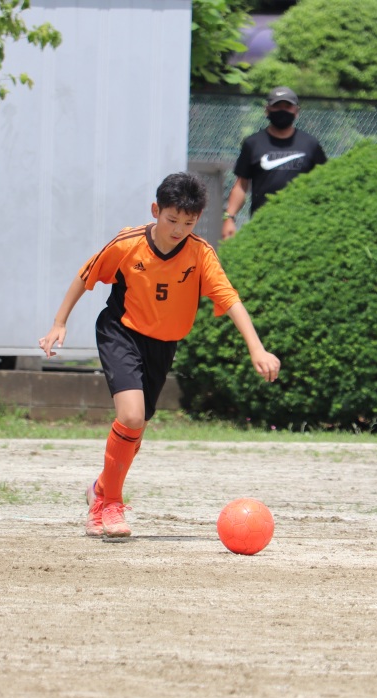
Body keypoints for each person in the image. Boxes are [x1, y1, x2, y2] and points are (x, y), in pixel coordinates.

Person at [38, 172, 282, 537]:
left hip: (163, 345)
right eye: (172, 220)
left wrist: (256, 347)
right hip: (121, 332)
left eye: (189, 222)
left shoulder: (200, 253)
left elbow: (229, 299)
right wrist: (59, 323)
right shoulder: (128, 243)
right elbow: (85, 276)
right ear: (156, 211)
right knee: (131, 416)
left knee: (134, 433)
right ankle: (108, 506)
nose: (179, 229)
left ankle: (100, 490)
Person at [220, 86, 327, 241]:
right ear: (267, 110)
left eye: (287, 106)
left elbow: (324, 183)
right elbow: (241, 185)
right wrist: (229, 218)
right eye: (277, 106)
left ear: (296, 111)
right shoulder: (253, 143)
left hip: (302, 227)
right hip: (262, 226)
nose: (282, 111)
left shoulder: (310, 144)